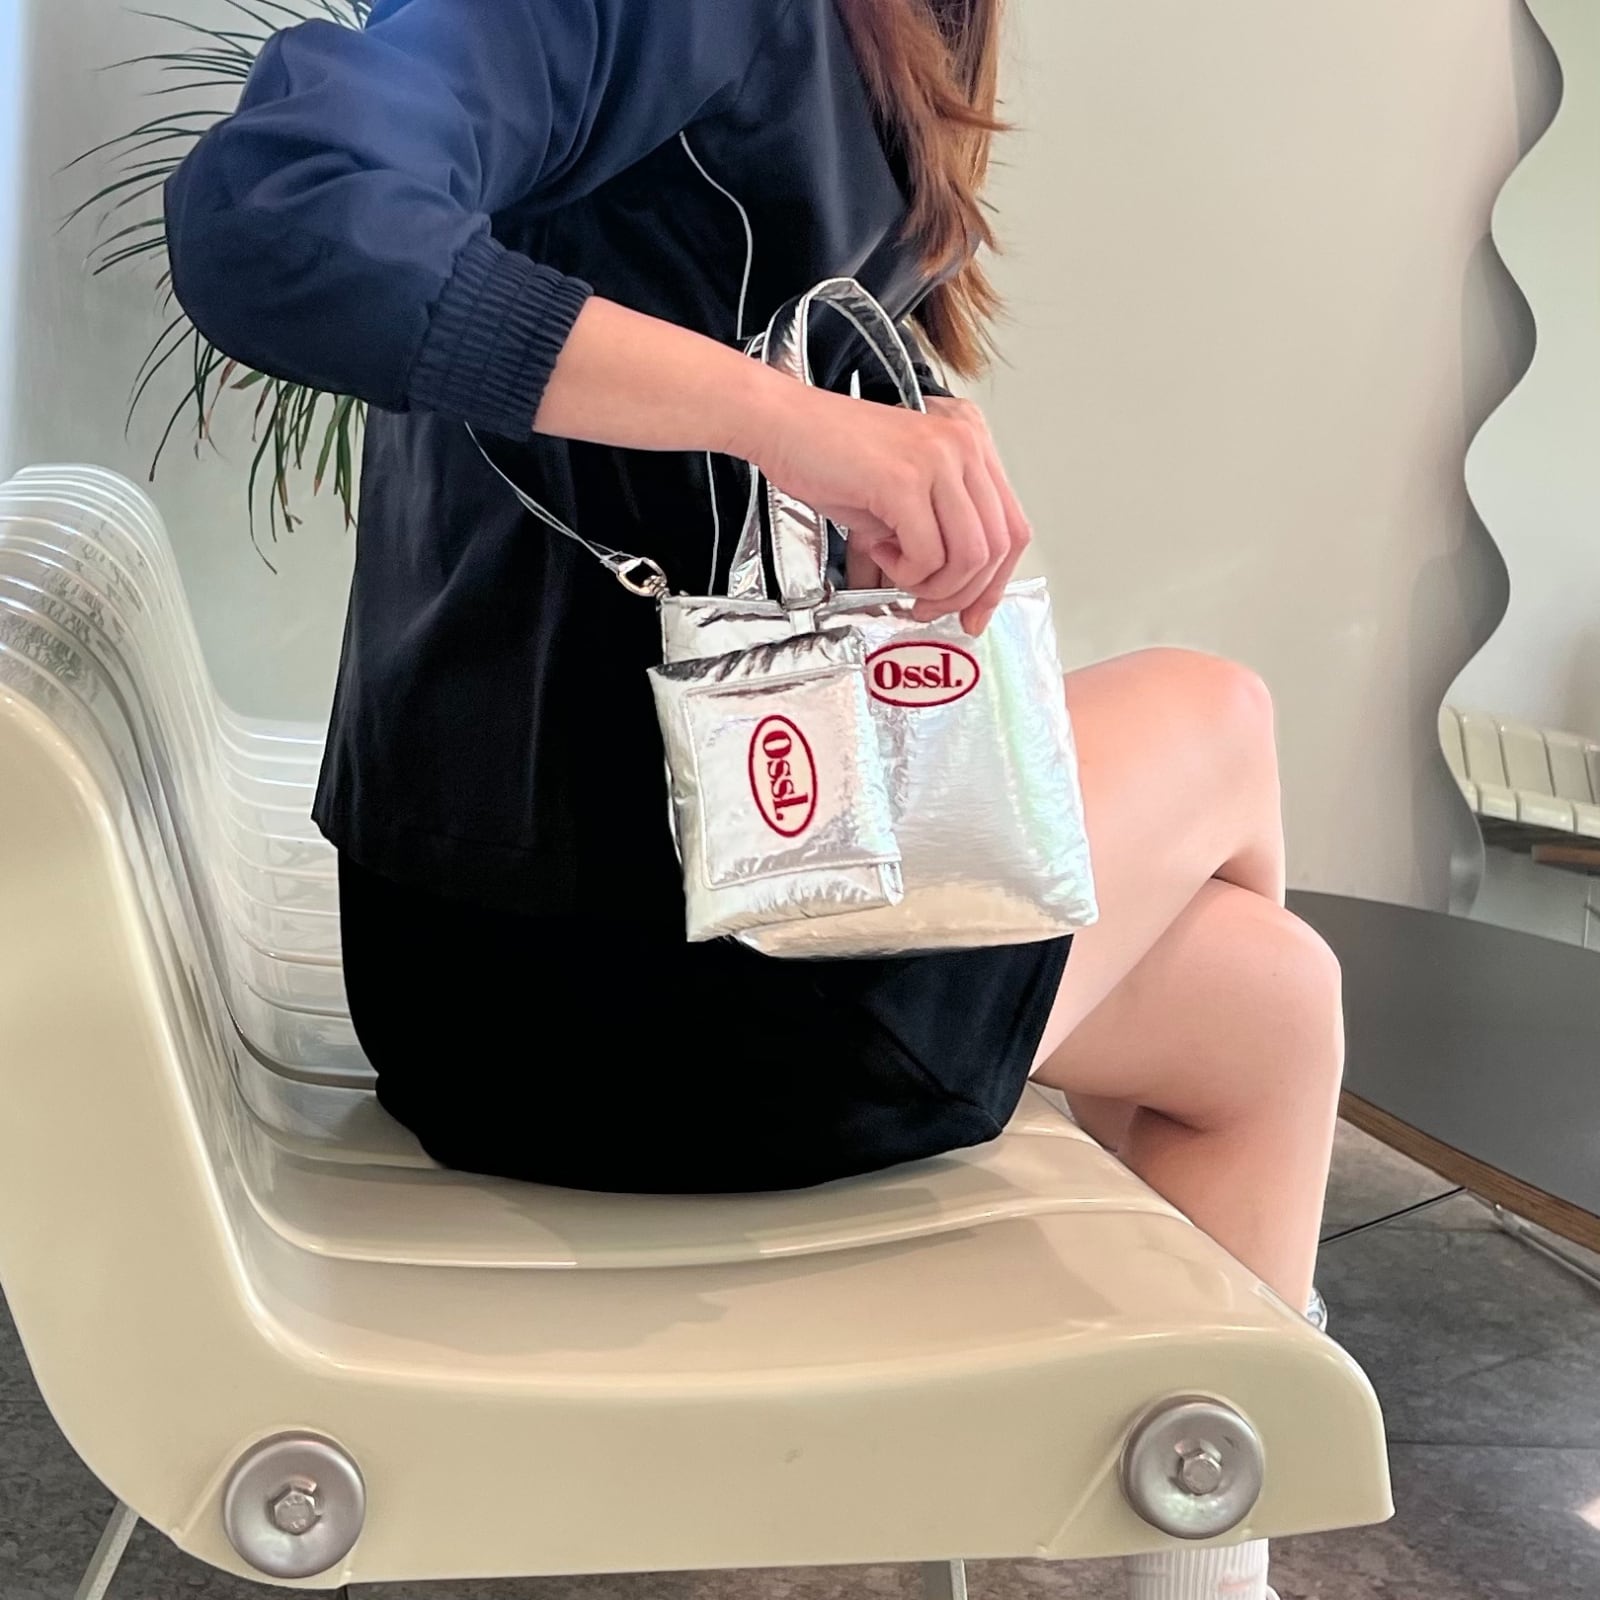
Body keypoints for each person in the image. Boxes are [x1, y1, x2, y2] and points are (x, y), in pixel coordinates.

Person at [166, 4, 1342, 1596]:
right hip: (648, 982)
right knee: (1221, 716)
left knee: (1274, 1001)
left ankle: (1203, 1516)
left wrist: (876, 429)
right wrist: (789, 421)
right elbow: (281, 211)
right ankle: (1169, 1430)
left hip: (536, 956)